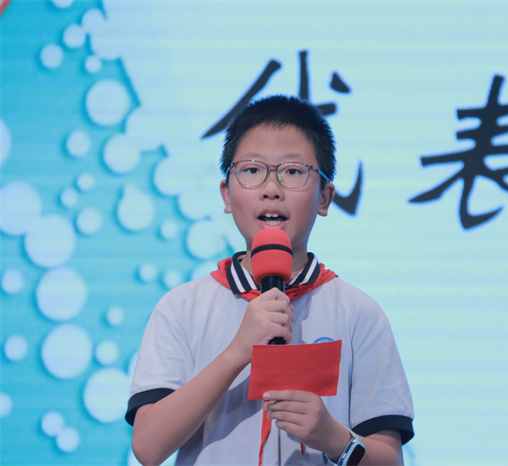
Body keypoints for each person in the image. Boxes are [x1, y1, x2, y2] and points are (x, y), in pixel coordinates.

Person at [125, 95, 414, 466]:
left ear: (324, 197)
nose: (271, 188)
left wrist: (333, 437)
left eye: (293, 171)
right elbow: (148, 448)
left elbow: (390, 460)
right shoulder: (182, 307)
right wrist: (236, 352)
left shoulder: (358, 313)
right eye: (251, 170)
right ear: (227, 193)